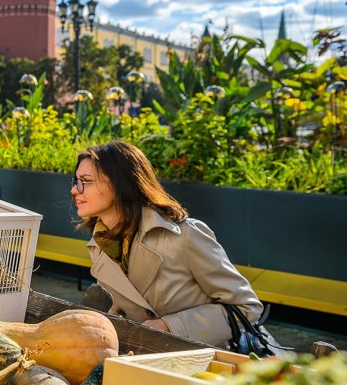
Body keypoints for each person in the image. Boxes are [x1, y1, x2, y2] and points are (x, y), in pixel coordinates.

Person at [73, 141, 263, 346]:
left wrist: (169, 326)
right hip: (140, 362)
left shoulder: (184, 235)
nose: (75, 190)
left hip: (196, 365)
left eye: (86, 181)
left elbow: (246, 307)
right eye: (75, 181)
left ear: (120, 184)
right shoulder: (101, 244)